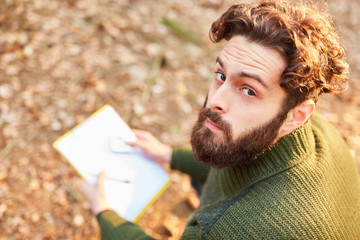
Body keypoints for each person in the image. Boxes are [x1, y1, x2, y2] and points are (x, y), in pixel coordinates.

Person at [79, 0, 360, 238]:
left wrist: (105, 212)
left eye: (249, 90)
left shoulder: (223, 228)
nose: (216, 101)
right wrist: (169, 156)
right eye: (221, 76)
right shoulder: (312, 129)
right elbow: (234, 152)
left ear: (296, 116)